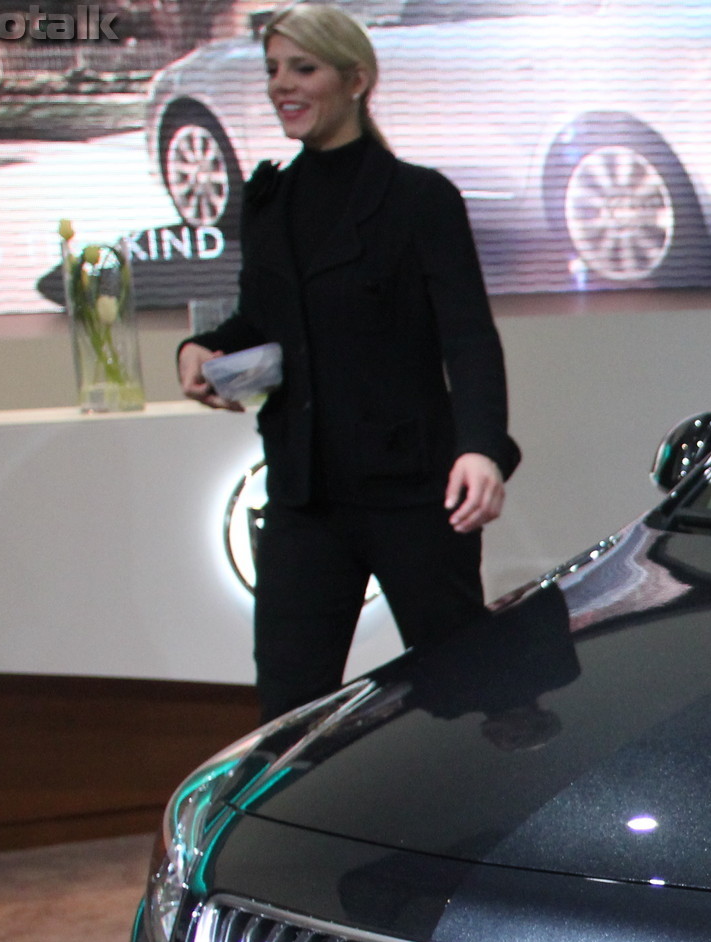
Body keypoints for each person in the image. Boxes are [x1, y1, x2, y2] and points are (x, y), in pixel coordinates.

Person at [177, 2, 522, 720]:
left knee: (465, 692)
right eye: (273, 70)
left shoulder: (420, 198)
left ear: (356, 78)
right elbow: (260, 322)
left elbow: (469, 337)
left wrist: (481, 448)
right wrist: (202, 348)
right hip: (306, 498)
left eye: (302, 68)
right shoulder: (269, 200)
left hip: (414, 493)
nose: (282, 85)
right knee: (288, 710)